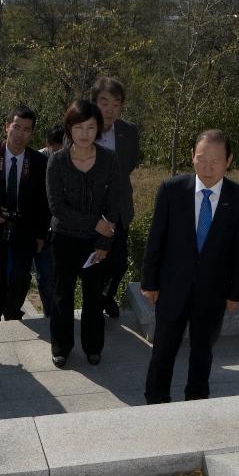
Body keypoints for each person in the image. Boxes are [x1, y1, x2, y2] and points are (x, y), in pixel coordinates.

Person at [141, 130, 239, 404]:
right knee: (163, 350)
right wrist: (149, 282)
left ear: (229, 161)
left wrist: (236, 293)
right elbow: (156, 238)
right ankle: (156, 399)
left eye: (216, 160)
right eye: (201, 158)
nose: (207, 167)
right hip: (172, 287)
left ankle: (197, 399)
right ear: (192, 157)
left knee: (203, 351)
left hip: (212, 292)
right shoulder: (172, 190)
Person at [45, 100, 127, 368]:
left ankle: (93, 346)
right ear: (69, 129)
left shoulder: (110, 161)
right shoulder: (56, 162)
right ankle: (61, 345)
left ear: (98, 129)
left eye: (91, 127)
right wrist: (95, 223)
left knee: (94, 297)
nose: (84, 133)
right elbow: (57, 208)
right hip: (65, 239)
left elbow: (114, 205)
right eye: (78, 127)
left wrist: (104, 241)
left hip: (96, 244)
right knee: (62, 296)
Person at [0, 105, 50, 322]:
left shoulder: (39, 161)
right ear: (7, 127)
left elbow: (44, 200)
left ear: (32, 133)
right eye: (16, 127)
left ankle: (12, 311)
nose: (20, 134)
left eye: (26, 129)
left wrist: (41, 234)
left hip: (26, 226)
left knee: (21, 274)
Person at [92, 76, 141, 320]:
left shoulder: (129, 131)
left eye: (115, 103)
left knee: (119, 262)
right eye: (104, 103)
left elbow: (130, 163)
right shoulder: (83, 129)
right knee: (95, 263)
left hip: (119, 206)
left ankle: (106, 296)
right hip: (91, 210)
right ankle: (95, 302)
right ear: (94, 104)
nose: (109, 109)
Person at [32, 124, 63, 318]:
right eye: (56, 149)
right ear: (47, 144)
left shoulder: (72, 161)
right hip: (37, 228)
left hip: (59, 229)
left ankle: (53, 313)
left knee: (53, 276)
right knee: (42, 276)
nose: (59, 153)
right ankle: (49, 313)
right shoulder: (35, 161)